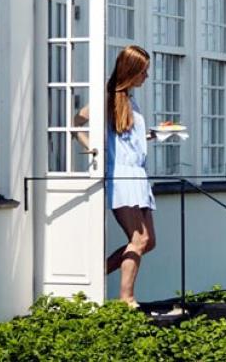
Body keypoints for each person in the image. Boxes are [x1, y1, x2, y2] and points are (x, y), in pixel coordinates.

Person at [75, 45, 171, 310]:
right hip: (122, 177)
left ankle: (97, 273)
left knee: (148, 241)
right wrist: (92, 149)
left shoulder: (130, 100)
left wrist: (153, 135)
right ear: (131, 71)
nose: (147, 77)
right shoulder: (107, 99)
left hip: (138, 176)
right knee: (138, 239)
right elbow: (76, 122)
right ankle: (126, 298)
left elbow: (128, 139)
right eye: (143, 71)